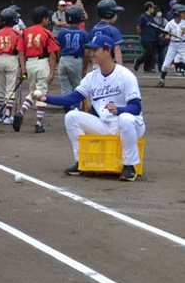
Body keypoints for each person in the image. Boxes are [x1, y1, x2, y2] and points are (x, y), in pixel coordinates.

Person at [35, 33, 145, 182]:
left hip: (131, 125)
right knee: (71, 117)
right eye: (90, 50)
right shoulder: (92, 77)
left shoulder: (125, 76)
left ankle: (129, 167)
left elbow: (136, 107)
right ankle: (82, 162)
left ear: (107, 50)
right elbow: (73, 98)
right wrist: (46, 98)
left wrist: (119, 110)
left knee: (125, 118)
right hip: (106, 125)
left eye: (95, 50)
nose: (91, 53)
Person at [13, 6, 59, 133]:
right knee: (42, 93)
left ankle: (21, 112)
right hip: (42, 63)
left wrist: (23, 69)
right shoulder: (47, 33)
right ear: (43, 19)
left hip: (29, 64)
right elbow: (52, 54)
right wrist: (53, 71)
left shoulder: (25, 32)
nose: (48, 20)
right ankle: (38, 123)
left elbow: (21, 52)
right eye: (47, 18)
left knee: (34, 92)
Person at [0, 7, 22, 126]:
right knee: (10, 89)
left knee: (0, 88)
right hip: (11, 59)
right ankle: (8, 115)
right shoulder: (17, 33)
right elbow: (20, 50)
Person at [55, 6, 88, 103]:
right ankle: (75, 110)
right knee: (77, 88)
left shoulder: (62, 32)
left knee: (65, 89)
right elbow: (86, 53)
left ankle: (68, 110)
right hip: (76, 61)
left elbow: (58, 49)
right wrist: (85, 67)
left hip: (63, 60)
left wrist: (60, 60)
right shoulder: (84, 33)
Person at [88, 0, 125, 67]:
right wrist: (120, 67)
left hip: (96, 63)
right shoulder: (113, 30)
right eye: (115, 13)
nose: (116, 16)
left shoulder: (93, 29)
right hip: (108, 64)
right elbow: (116, 50)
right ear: (109, 14)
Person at [157, 4, 185, 88]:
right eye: (181, 12)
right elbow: (164, 34)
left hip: (183, 45)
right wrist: (167, 36)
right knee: (165, 64)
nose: (183, 13)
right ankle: (162, 80)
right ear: (177, 14)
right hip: (172, 46)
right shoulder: (170, 23)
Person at [135, 2, 159, 73]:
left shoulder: (151, 17)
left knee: (151, 54)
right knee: (148, 52)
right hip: (146, 38)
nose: (153, 9)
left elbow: (156, 26)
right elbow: (138, 27)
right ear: (149, 8)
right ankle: (138, 61)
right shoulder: (143, 17)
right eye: (152, 8)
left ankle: (147, 68)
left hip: (152, 37)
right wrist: (142, 34)